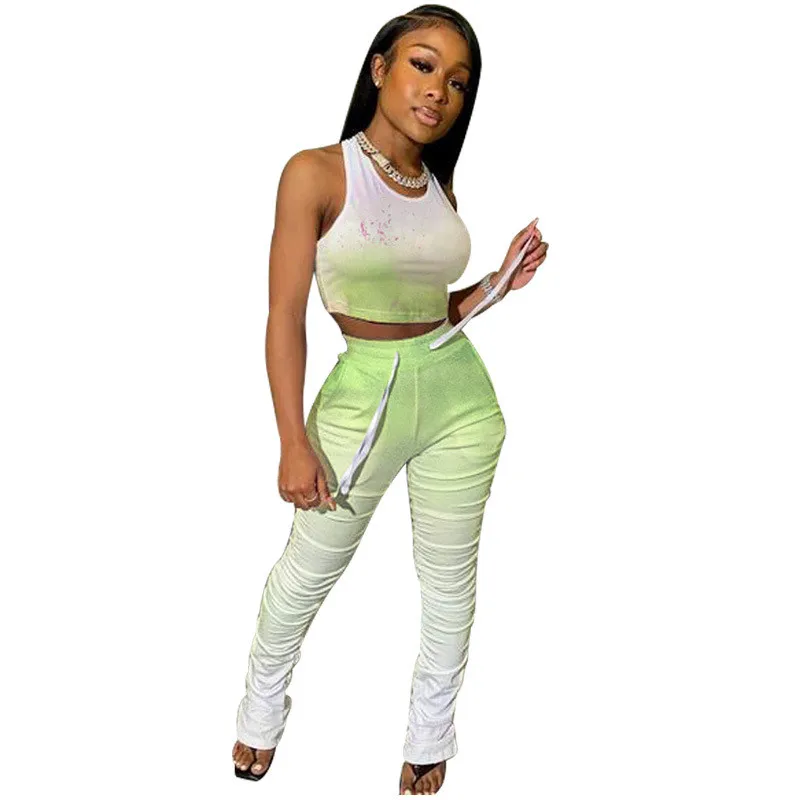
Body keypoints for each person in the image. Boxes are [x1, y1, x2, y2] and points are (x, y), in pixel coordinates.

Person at [231, 4, 549, 795]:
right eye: (423, 64)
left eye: (459, 81)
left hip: (460, 401)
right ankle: (259, 713)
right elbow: (284, 315)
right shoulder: (316, 173)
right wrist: (291, 440)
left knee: (449, 584)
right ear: (380, 68)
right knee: (307, 572)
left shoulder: (438, 185)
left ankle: (429, 734)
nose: (440, 90)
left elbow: (431, 312)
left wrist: (498, 283)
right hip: (361, 403)